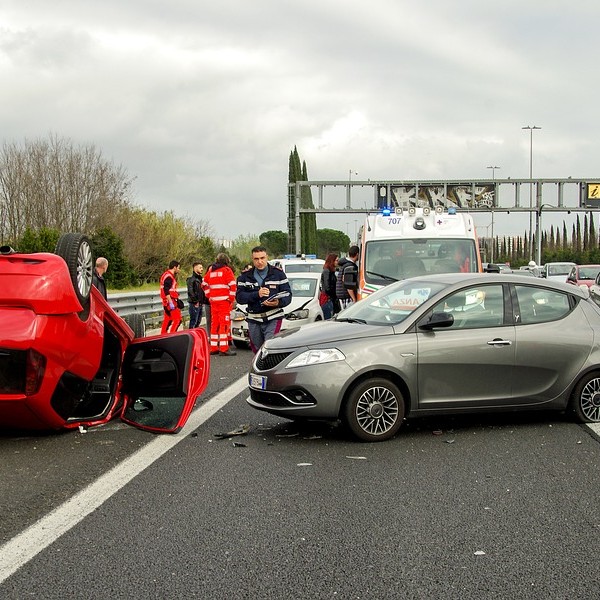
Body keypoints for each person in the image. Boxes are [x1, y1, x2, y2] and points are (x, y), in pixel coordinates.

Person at [236, 245, 292, 354]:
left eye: (262, 258)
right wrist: (257, 294)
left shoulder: (278, 274)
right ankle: (259, 370)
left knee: (270, 347)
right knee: (258, 351)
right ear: (252, 259)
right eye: (256, 259)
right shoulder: (245, 277)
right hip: (254, 318)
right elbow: (239, 297)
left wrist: (278, 302)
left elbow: (288, 295)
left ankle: (271, 370)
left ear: (267, 257)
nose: (260, 262)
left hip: (273, 317)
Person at [202, 253, 237, 356]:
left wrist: (209, 295)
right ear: (226, 261)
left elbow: (203, 284)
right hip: (224, 303)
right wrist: (231, 298)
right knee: (224, 325)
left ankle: (213, 347)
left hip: (214, 302)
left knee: (214, 324)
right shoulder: (227, 270)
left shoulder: (211, 271)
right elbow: (233, 285)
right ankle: (224, 348)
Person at [159, 260, 182, 334]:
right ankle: (172, 335)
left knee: (167, 319)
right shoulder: (169, 277)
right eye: (178, 268)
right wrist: (171, 302)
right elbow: (166, 290)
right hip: (170, 301)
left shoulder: (166, 275)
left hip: (166, 301)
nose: (179, 270)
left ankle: (163, 335)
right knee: (177, 320)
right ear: (174, 267)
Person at [319, 253, 338, 319]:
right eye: (336, 260)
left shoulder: (330, 271)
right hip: (327, 298)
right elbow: (327, 287)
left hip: (329, 298)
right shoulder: (327, 271)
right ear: (332, 261)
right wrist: (333, 295)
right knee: (328, 317)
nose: (337, 262)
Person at [186, 262, 204, 328]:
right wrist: (195, 301)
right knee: (193, 321)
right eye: (200, 267)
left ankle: (194, 336)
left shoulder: (200, 279)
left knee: (198, 322)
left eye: (202, 267)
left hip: (200, 303)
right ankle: (191, 336)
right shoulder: (191, 280)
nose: (202, 269)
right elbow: (190, 292)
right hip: (194, 304)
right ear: (195, 268)